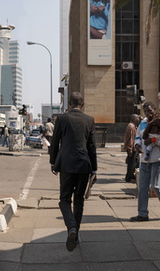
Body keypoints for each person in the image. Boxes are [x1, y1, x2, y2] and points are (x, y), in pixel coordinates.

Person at [50, 92, 97, 252]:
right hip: (84, 165)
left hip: (66, 165)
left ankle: (71, 228)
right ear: (82, 105)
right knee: (79, 200)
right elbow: (92, 146)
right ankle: (75, 234)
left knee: (64, 200)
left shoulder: (62, 119)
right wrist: (94, 169)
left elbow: (54, 142)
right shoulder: (89, 120)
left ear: (69, 104)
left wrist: (53, 162)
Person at [130, 101, 160, 222]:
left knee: (157, 187)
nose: (148, 114)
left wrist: (153, 140)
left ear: (155, 110)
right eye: (145, 112)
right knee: (142, 188)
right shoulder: (142, 123)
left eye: (150, 111)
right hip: (144, 161)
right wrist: (137, 145)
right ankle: (142, 213)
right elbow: (138, 137)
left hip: (157, 159)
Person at [124, 114, 140, 182]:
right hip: (132, 148)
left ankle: (131, 175)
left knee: (134, 162)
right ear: (133, 119)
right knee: (131, 163)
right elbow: (131, 138)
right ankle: (129, 177)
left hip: (133, 148)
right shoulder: (131, 126)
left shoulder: (133, 126)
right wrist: (130, 148)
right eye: (137, 118)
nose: (138, 119)